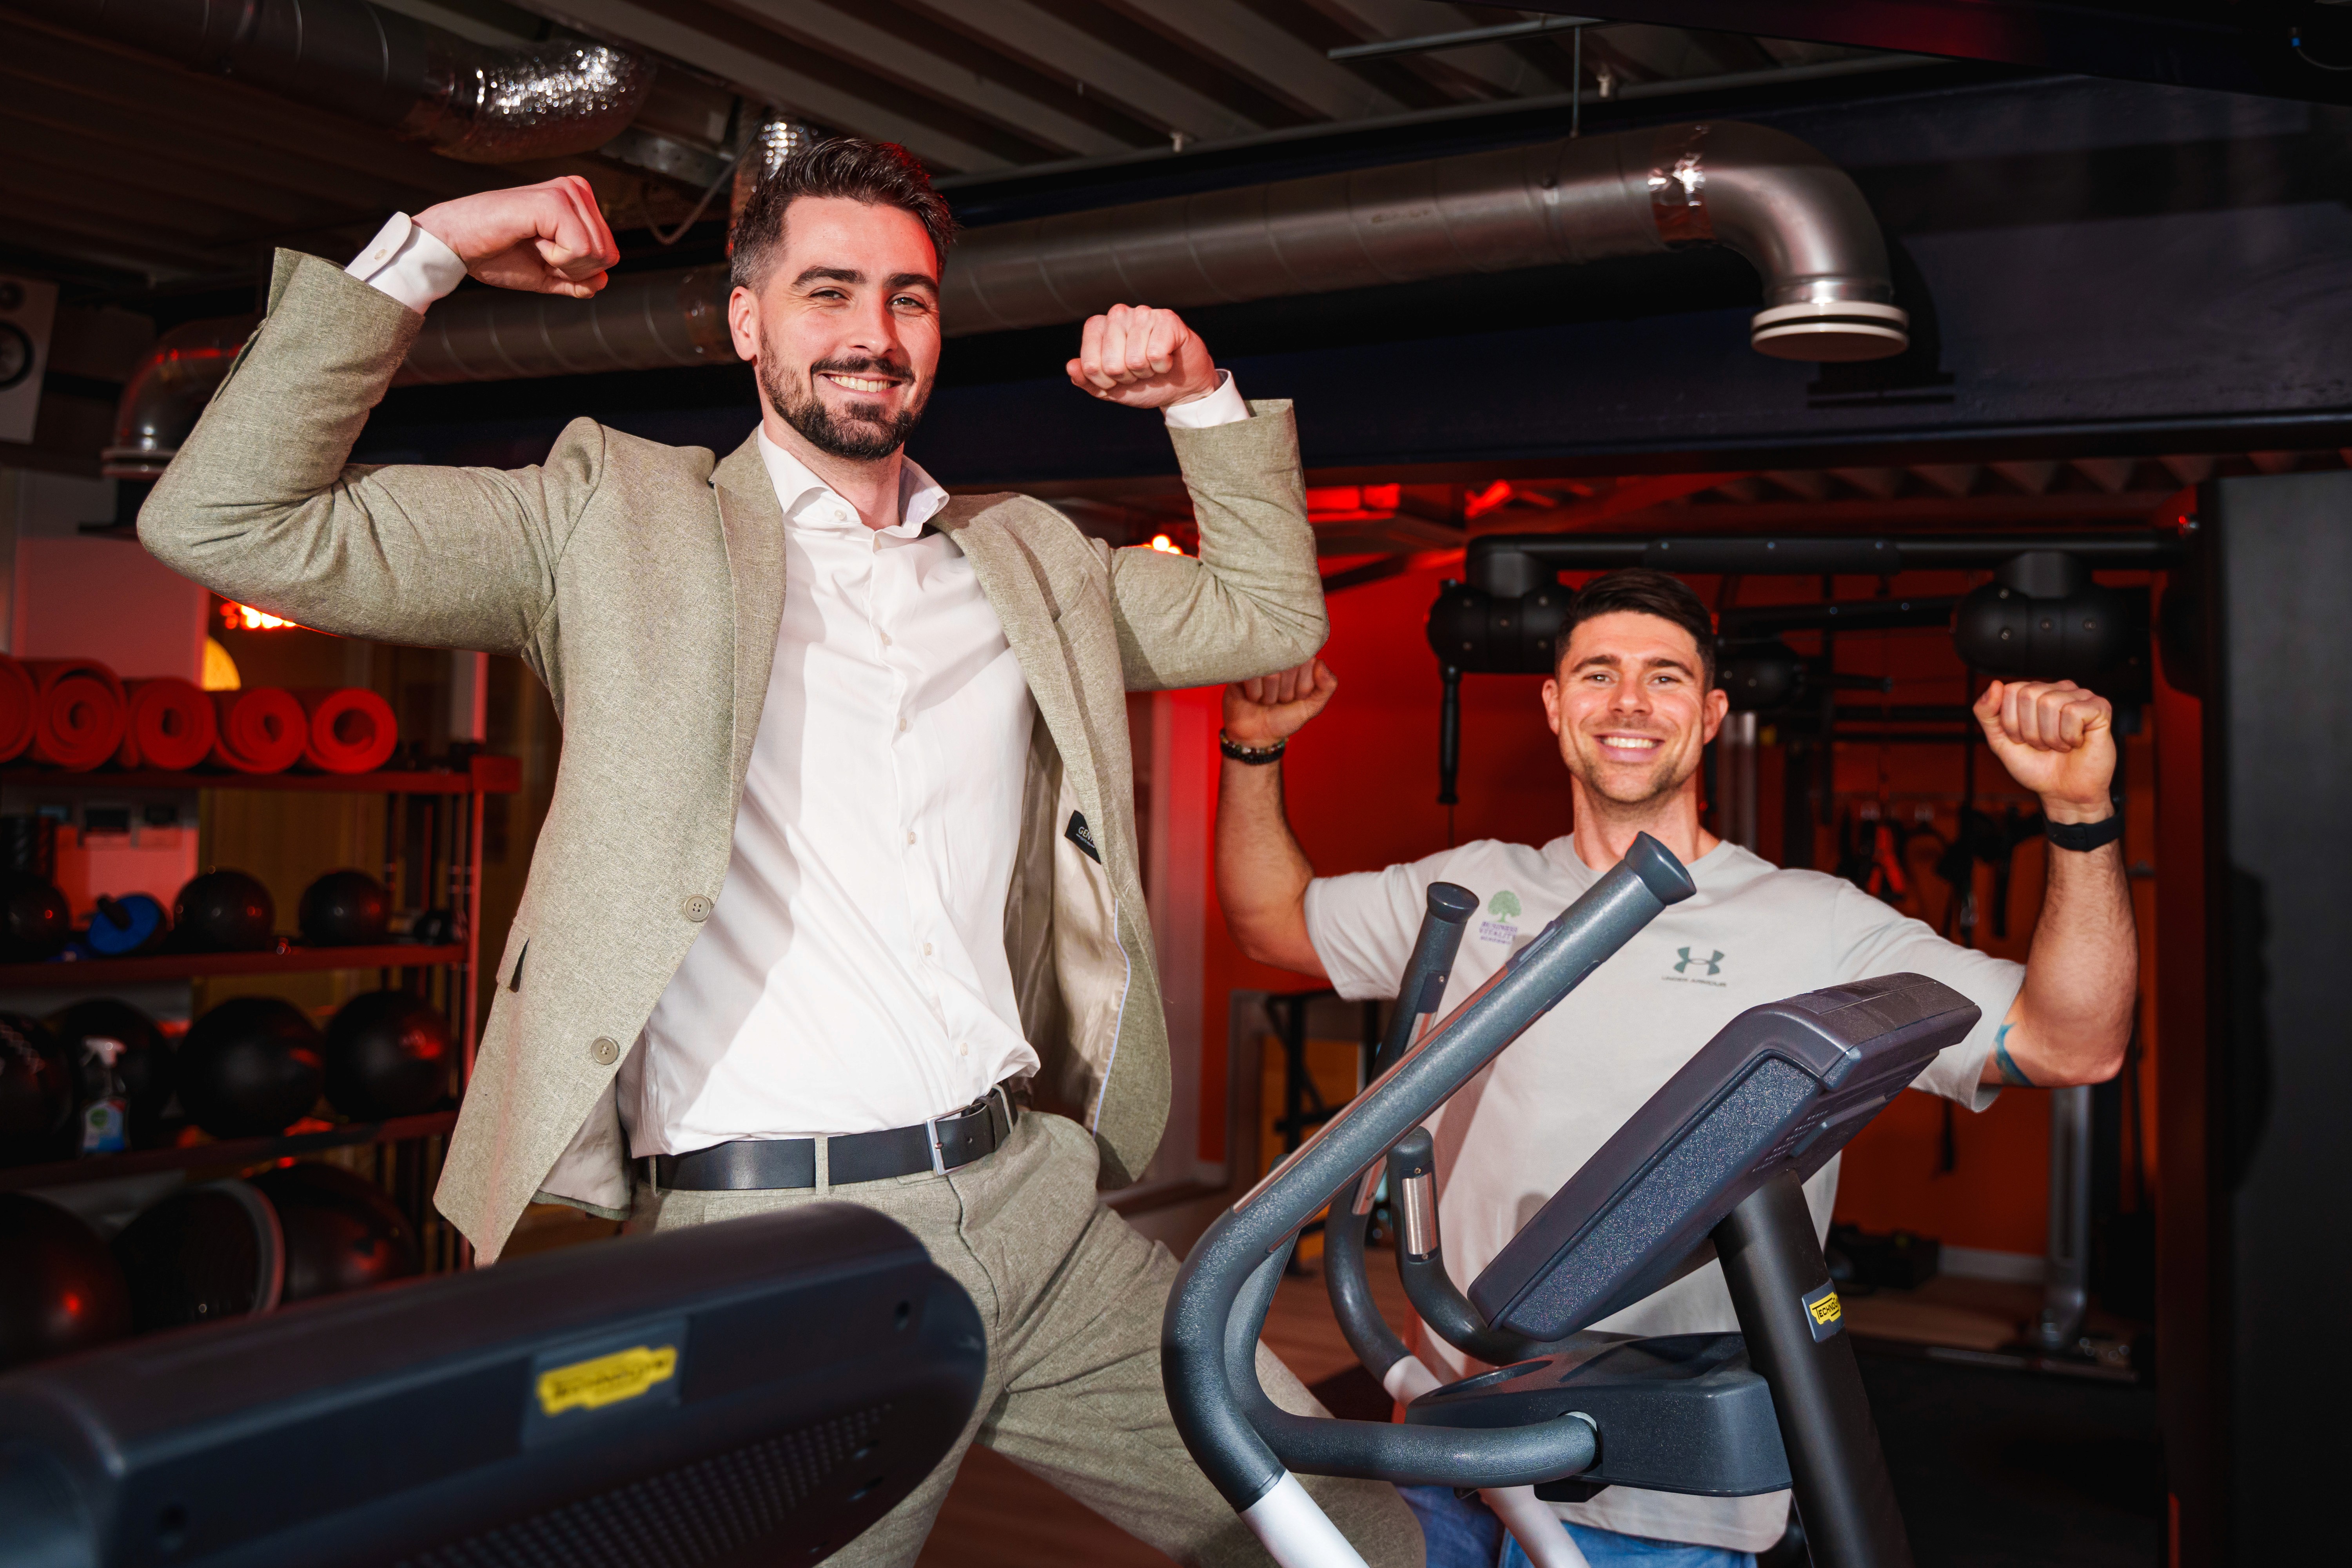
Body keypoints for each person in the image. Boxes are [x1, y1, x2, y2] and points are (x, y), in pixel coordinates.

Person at [140, 142, 1420, 1568]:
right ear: (748, 321)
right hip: (777, 1244)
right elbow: (222, 518)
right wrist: (430, 246)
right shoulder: (609, 521)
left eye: (909, 298)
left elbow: (1268, 617)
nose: (874, 332)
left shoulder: (1029, 562)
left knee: (1356, 1530)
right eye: (828, 291)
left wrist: (1198, 397)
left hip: (1037, 1204)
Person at [1216, 568, 2136, 1568]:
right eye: (1598, 673)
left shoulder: (1817, 920)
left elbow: (2070, 1041)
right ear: (1554, 704)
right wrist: (1252, 748)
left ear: (1711, 714)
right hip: (1450, 1443)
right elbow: (1274, 920)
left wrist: (2079, 814)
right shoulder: (1475, 885)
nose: (1629, 702)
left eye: (1664, 677)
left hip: (1663, 1493)